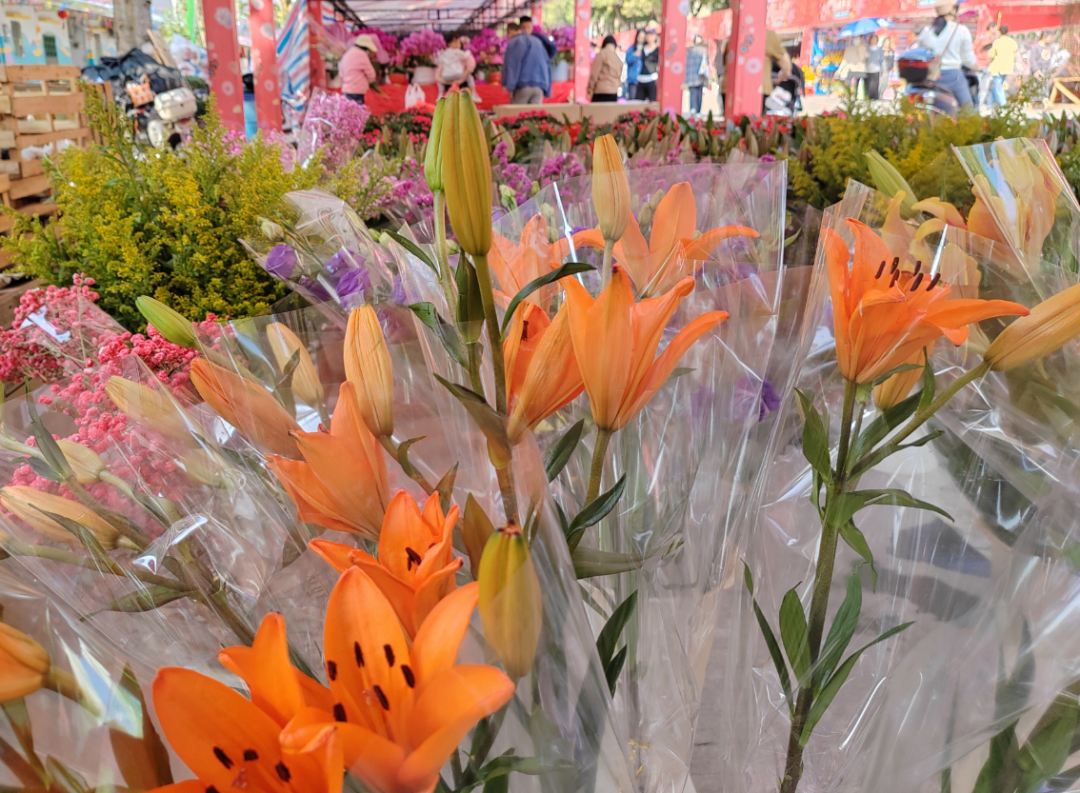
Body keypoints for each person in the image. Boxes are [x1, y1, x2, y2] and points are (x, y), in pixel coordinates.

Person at [916, 2, 977, 109]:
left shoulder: (926, 31)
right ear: (953, 10)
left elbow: (921, 53)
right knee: (969, 111)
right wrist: (978, 68)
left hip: (932, 77)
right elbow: (968, 60)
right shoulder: (961, 30)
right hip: (954, 77)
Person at [502, 15, 552, 104]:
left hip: (523, 86)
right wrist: (547, 90)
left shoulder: (516, 41)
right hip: (539, 87)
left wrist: (510, 88)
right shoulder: (538, 41)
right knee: (535, 113)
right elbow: (547, 64)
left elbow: (513, 65)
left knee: (517, 112)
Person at [435, 33, 480, 100]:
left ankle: (440, 95)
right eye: (455, 42)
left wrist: (461, 80)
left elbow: (470, 66)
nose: (457, 44)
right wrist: (450, 82)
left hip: (455, 78)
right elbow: (438, 75)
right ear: (449, 44)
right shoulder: (460, 53)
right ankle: (473, 93)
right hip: (455, 77)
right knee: (470, 78)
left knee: (468, 77)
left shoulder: (444, 54)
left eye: (458, 42)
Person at [339, 34, 377, 105]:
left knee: (347, 109)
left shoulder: (348, 53)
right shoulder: (362, 55)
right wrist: (371, 80)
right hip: (357, 90)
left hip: (346, 90)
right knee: (357, 110)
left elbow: (341, 73)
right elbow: (371, 73)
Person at [987, 24, 1017, 109]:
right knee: (995, 86)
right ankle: (990, 104)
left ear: (999, 32)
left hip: (997, 68)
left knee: (997, 87)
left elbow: (991, 55)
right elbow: (1015, 55)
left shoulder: (997, 42)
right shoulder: (1013, 42)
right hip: (1007, 68)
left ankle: (1003, 104)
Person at [587, 35, 622, 102]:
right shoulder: (618, 59)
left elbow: (594, 74)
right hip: (613, 92)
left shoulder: (601, 54)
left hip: (600, 92)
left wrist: (590, 88)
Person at [972, 21, 998, 110]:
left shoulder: (992, 39)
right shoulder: (981, 37)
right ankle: (975, 105)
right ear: (991, 28)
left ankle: (979, 106)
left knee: (984, 88)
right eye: (995, 28)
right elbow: (973, 48)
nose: (996, 30)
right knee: (978, 87)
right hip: (979, 65)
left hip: (988, 65)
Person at [685, 34, 709, 113]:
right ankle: (697, 110)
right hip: (700, 75)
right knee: (699, 94)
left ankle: (693, 109)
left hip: (691, 76)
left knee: (693, 93)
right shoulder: (703, 50)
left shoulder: (690, 51)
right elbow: (706, 64)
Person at [636, 29, 661, 102]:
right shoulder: (641, 48)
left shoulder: (658, 50)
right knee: (638, 103)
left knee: (652, 102)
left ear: (655, 36)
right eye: (647, 35)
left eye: (651, 35)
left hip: (652, 78)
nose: (649, 37)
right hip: (640, 78)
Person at [625, 29, 646, 99]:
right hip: (633, 79)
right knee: (633, 100)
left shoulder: (646, 49)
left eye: (643, 38)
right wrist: (635, 55)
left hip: (644, 79)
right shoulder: (631, 48)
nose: (641, 39)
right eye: (640, 37)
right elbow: (627, 60)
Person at [865, 34, 884, 100]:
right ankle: (868, 96)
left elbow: (882, 60)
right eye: (872, 39)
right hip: (868, 69)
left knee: (875, 84)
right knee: (868, 84)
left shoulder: (879, 49)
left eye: (875, 39)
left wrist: (882, 69)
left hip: (876, 69)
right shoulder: (867, 49)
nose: (873, 41)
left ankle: (875, 97)